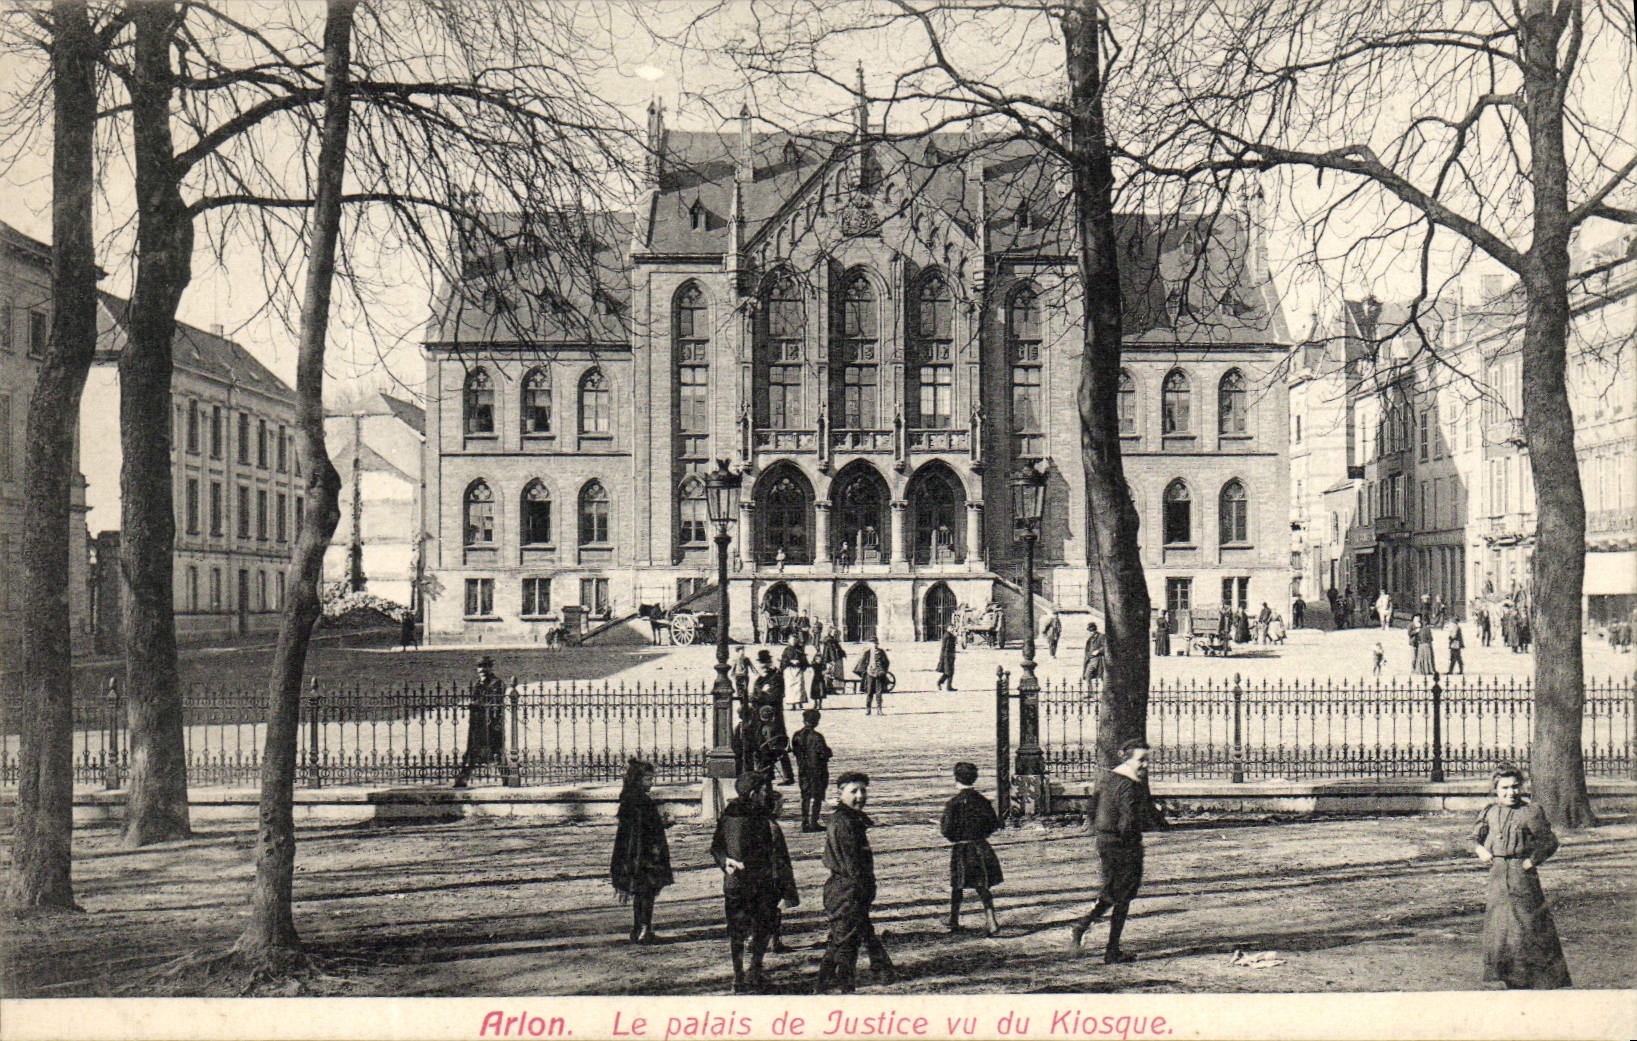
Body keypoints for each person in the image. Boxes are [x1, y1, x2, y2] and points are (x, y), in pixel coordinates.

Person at [1069, 738, 1168, 964]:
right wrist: (1131, 840)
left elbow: (1093, 806)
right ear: (1127, 758)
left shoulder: (1109, 778)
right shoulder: (1129, 785)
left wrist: (1099, 828)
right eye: (1141, 761)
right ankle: (1110, 949)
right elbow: (1128, 818)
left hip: (1106, 841)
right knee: (1122, 897)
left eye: (1147, 761)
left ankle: (1083, 927)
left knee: (1112, 893)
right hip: (1124, 845)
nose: (1145, 765)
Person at [1472, 766, 1571, 989]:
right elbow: (1475, 837)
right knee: (1500, 925)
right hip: (1498, 874)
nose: (1511, 792)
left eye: (1515, 786)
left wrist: (1531, 861)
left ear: (1522, 787)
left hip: (1522, 874)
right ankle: (1506, 976)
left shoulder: (1531, 812)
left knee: (1528, 923)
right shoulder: (1489, 812)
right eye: (1504, 788)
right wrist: (1481, 850)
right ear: (1495, 790)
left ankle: (1537, 977)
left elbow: (1549, 842)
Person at [712, 772, 796, 992]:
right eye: (762, 791)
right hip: (760, 885)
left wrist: (725, 862)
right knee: (761, 929)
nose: (765, 795)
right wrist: (786, 890)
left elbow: (716, 846)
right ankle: (754, 971)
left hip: (734, 884)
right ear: (753, 794)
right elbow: (777, 855)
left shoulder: (727, 815)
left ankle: (738, 977)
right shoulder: (763, 819)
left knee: (737, 932)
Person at [814, 772, 895, 993]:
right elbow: (852, 865)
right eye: (853, 792)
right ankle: (845, 986)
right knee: (846, 942)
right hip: (847, 889)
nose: (860, 796)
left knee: (846, 935)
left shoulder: (850, 819)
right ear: (840, 794)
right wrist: (863, 888)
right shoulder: (843, 823)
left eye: (863, 790)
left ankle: (826, 980)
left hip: (851, 888)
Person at [611, 758, 673, 945]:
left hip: (631, 856)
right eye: (648, 778)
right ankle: (644, 929)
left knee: (641, 894)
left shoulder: (628, 800)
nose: (651, 782)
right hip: (645, 857)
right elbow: (646, 831)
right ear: (638, 779)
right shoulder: (641, 802)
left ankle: (639, 928)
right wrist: (664, 823)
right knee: (646, 893)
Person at [940, 761, 1003, 937]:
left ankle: (954, 919)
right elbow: (993, 824)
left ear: (956, 780)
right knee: (982, 886)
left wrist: (956, 837)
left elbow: (946, 830)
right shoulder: (983, 801)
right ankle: (991, 920)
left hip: (962, 849)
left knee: (957, 886)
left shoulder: (953, 803)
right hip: (981, 847)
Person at [453, 656, 506, 788]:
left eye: (484, 666)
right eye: (479, 667)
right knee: (473, 751)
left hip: (491, 723)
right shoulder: (478, 684)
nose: (482, 669)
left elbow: (497, 703)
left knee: (496, 751)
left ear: (490, 667)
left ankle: (507, 778)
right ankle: (462, 779)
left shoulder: (496, 683)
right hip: (477, 723)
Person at [766, 788, 801, 955]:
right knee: (774, 909)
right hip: (775, 874)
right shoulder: (772, 827)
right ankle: (773, 941)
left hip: (766, 874)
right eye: (780, 805)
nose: (782, 809)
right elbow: (776, 855)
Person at [791, 709, 833, 832]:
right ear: (816, 721)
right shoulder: (817, 737)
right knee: (818, 796)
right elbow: (824, 753)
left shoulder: (796, 735)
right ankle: (813, 822)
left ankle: (804, 822)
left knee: (805, 796)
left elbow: (795, 751)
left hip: (803, 769)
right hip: (817, 771)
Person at [855, 638, 891, 716]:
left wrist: (883, 671)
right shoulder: (867, 653)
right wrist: (865, 672)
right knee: (869, 692)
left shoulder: (881, 652)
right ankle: (868, 709)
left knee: (879, 692)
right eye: (873, 643)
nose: (874, 645)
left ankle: (879, 709)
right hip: (870, 674)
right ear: (870, 644)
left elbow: (887, 662)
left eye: (876, 643)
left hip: (879, 674)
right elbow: (862, 663)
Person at [780, 633, 810, 706]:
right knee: (790, 687)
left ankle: (800, 703)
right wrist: (789, 662)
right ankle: (793, 704)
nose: (793, 641)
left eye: (794, 640)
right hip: (789, 670)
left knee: (799, 686)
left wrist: (801, 663)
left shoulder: (800, 648)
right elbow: (783, 659)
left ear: (797, 640)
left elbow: (803, 658)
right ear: (789, 641)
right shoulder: (786, 650)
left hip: (798, 669)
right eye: (791, 640)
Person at [1081, 622, 1106, 687]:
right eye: (1090, 631)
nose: (1091, 632)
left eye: (1092, 630)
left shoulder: (1101, 636)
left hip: (1099, 659)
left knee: (1103, 676)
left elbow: (1105, 646)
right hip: (1091, 659)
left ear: (1095, 629)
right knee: (1087, 675)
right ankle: (1090, 693)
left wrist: (1098, 651)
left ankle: (1106, 692)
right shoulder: (1090, 639)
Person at [935, 625, 958, 691]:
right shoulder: (948, 636)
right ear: (948, 628)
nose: (953, 629)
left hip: (948, 655)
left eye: (953, 628)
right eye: (951, 628)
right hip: (947, 656)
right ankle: (944, 685)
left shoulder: (948, 635)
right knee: (949, 671)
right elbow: (947, 647)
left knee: (948, 671)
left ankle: (945, 684)